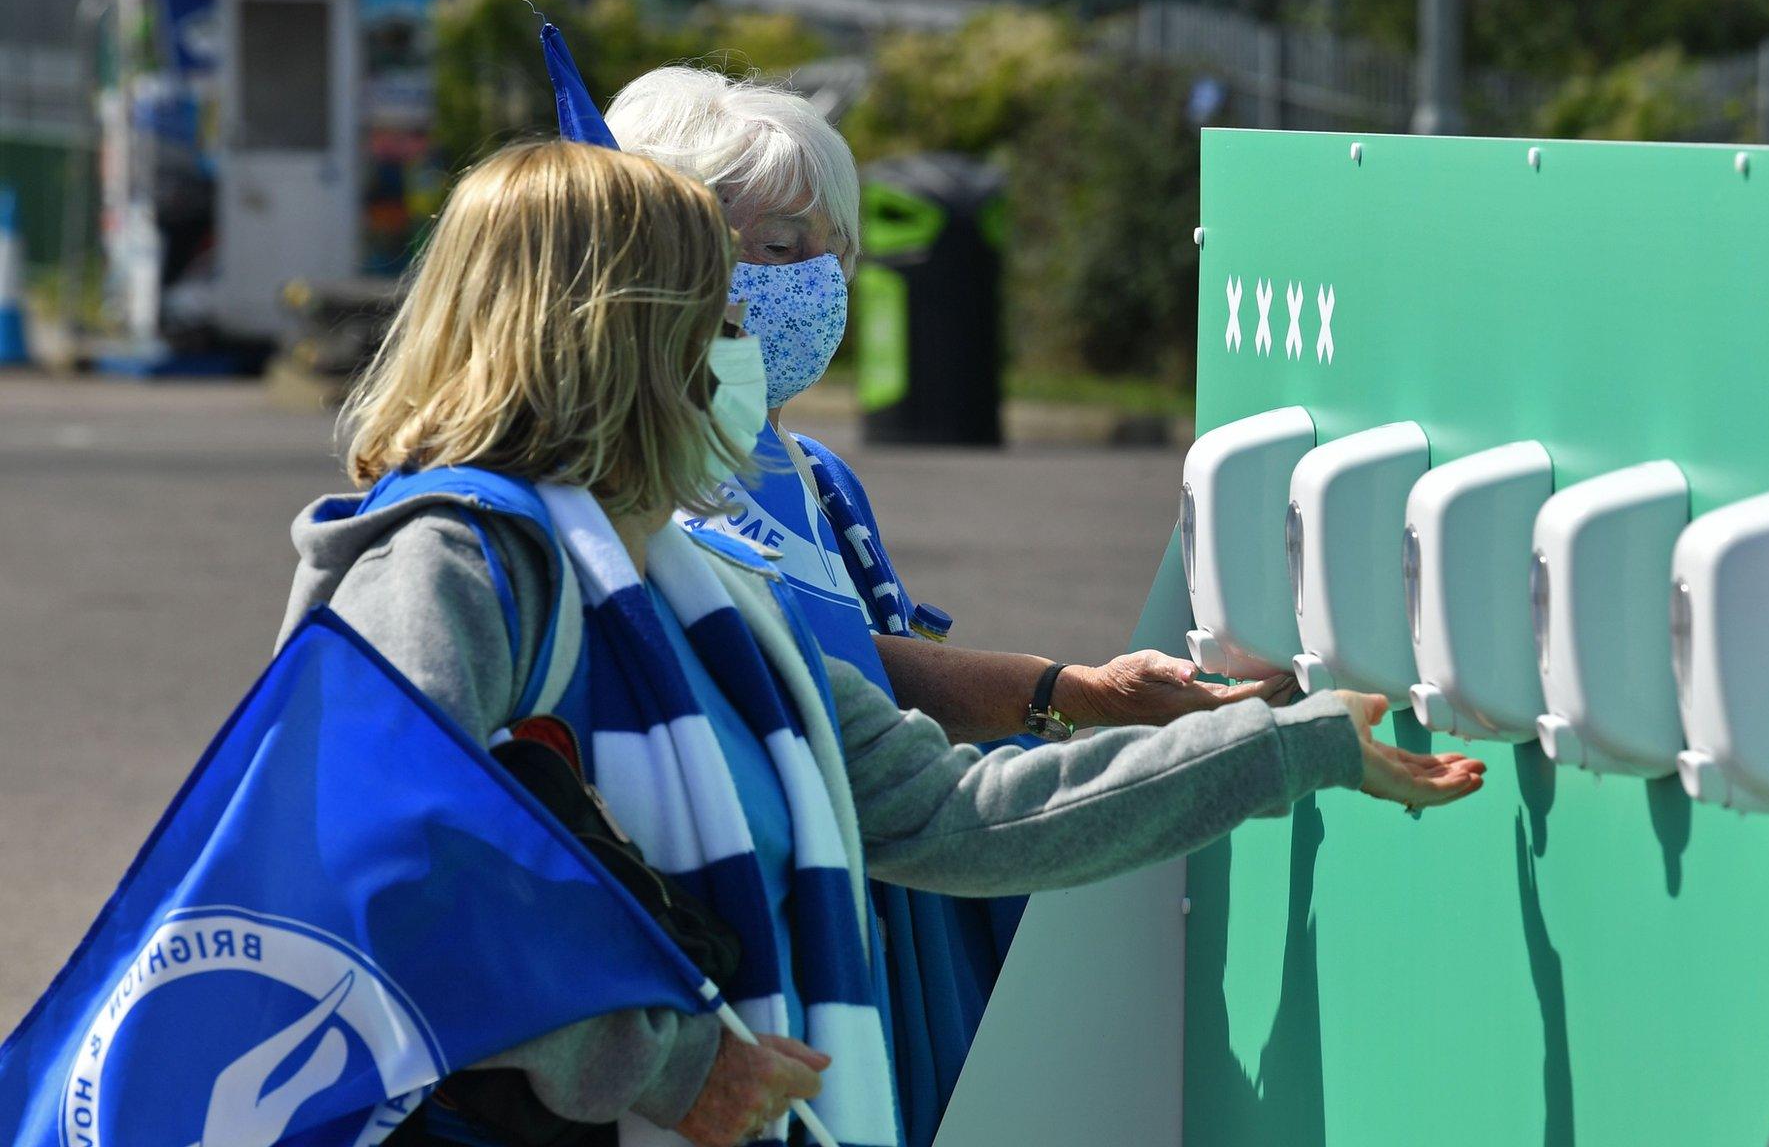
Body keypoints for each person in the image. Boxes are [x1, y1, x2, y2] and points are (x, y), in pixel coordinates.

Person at [284, 139, 1483, 1146]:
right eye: (713, 309)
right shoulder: (447, 566)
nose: (739, 345)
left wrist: (1294, 747)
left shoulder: (696, 584)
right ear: (607, 335)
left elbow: (951, 818)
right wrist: (662, 1069)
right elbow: (377, 875)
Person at [603, 68, 1291, 1145]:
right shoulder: (620, 484)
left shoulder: (812, 470)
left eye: (831, 250)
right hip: (747, 939)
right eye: (778, 249)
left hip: (893, 911)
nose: (817, 280)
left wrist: (1070, 694)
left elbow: (856, 674)